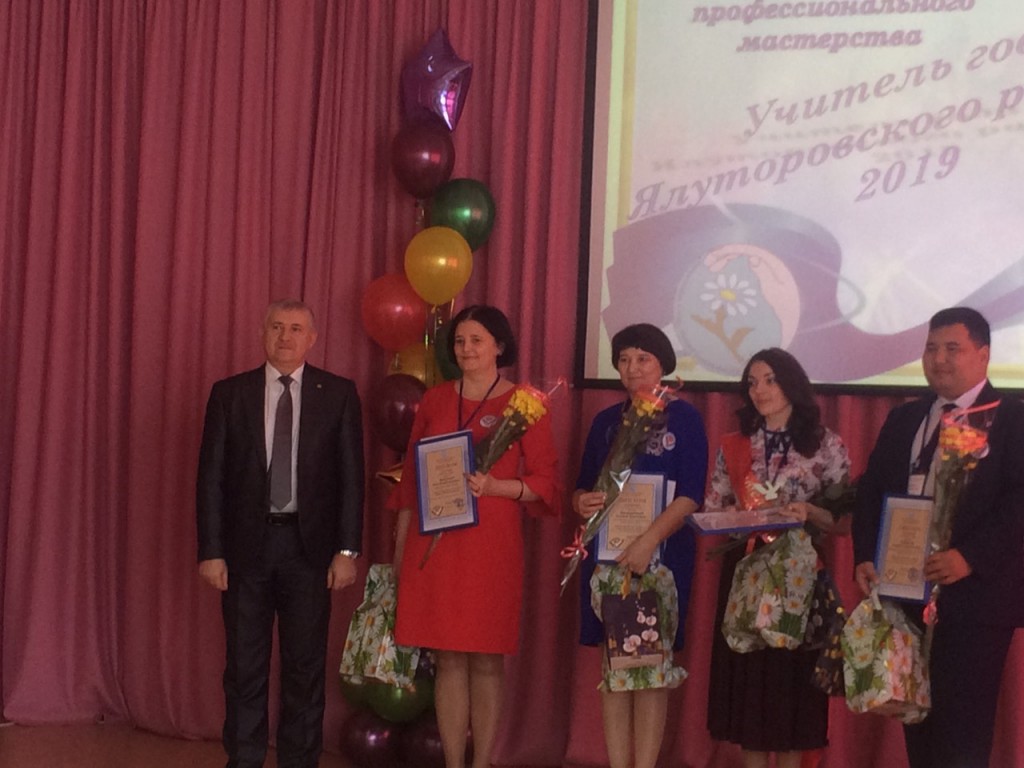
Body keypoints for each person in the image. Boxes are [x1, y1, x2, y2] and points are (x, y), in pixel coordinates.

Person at [196, 299, 365, 768]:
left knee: (304, 669)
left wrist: (347, 550)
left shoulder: (338, 394)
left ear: (312, 338)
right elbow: (210, 478)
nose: (285, 337)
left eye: (295, 328)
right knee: (244, 667)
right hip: (245, 550)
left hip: (309, 552)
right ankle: (244, 759)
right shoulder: (230, 394)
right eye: (276, 327)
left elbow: (352, 479)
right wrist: (211, 551)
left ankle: (299, 761)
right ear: (262, 333)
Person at [853, 307, 1024, 768]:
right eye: (931, 348)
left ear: (983, 355)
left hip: (973, 602)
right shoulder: (905, 418)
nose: (939, 359)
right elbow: (871, 490)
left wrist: (970, 557)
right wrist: (865, 555)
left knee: (962, 735)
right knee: (918, 726)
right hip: (904, 595)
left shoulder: (1011, 418)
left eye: (953, 349)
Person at [391, 305, 559, 768]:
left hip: (491, 549)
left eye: (477, 340)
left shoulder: (525, 404)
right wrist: (400, 552)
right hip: (434, 548)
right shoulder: (435, 400)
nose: (466, 349)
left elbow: (545, 483)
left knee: (486, 659)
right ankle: (453, 762)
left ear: (499, 346)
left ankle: (482, 761)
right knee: (447, 658)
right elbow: (410, 483)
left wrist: (497, 487)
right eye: (460, 341)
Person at [705, 348, 850, 768]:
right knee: (749, 687)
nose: (760, 390)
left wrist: (810, 513)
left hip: (798, 575)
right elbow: (713, 506)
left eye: (770, 380)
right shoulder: (735, 443)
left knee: (793, 689)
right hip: (748, 571)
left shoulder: (826, 444)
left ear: (792, 383)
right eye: (752, 382)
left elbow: (844, 521)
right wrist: (736, 515)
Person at [573, 323, 708, 768]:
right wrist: (582, 501)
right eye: (624, 359)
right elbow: (581, 489)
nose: (632, 368)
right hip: (610, 561)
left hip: (661, 559)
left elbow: (691, 495)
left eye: (642, 359)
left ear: (663, 364)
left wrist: (649, 541)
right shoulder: (605, 423)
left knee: (651, 670)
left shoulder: (684, 419)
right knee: (615, 667)